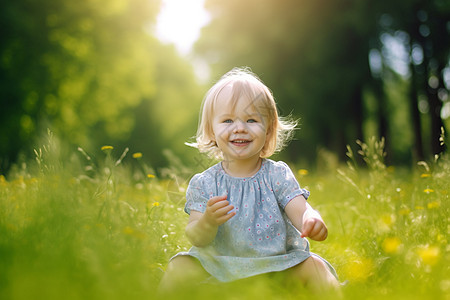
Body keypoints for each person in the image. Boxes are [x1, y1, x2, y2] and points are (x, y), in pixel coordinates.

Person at [159, 67, 339, 293]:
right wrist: (207, 221)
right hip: (220, 267)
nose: (240, 128)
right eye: (227, 120)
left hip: (277, 267)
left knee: (316, 266)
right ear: (211, 131)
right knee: (180, 266)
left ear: (269, 129)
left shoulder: (277, 175)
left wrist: (311, 219)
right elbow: (196, 237)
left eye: (251, 119)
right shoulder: (204, 183)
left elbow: (301, 210)